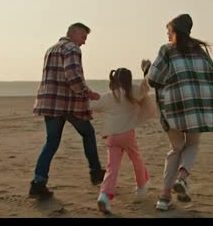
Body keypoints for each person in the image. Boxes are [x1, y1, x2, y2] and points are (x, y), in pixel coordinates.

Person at [146, 14, 213, 211]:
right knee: (192, 145)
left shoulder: (166, 50)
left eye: (168, 31)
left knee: (176, 148)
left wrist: (146, 69)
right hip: (196, 107)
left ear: (175, 30)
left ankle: (164, 197)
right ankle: (183, 178)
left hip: (174, 108)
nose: (167, 34)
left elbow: (153, 80)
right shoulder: (200, 51)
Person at [29, 22, 106, 199]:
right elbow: (72, 75)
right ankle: (95, 172)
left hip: (50, 103)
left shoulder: (51, 49)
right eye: (83, 37)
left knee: (51, 143)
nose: (84, 42)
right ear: (73, 33)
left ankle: (38, 182)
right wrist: (88, 93)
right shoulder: (72, 48)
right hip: (68, 103)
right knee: (88, 133)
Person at [90, 64, 157, 214]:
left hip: (111, 137)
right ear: (129, 80)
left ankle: (104, 196)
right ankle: (141, 188)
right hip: (127, 135)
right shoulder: (133, 93)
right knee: (136, 159)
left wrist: (86, 94)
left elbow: (91, 105)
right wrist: (146, 71)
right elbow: (146, 86)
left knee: (111, 167)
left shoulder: (108, 96)